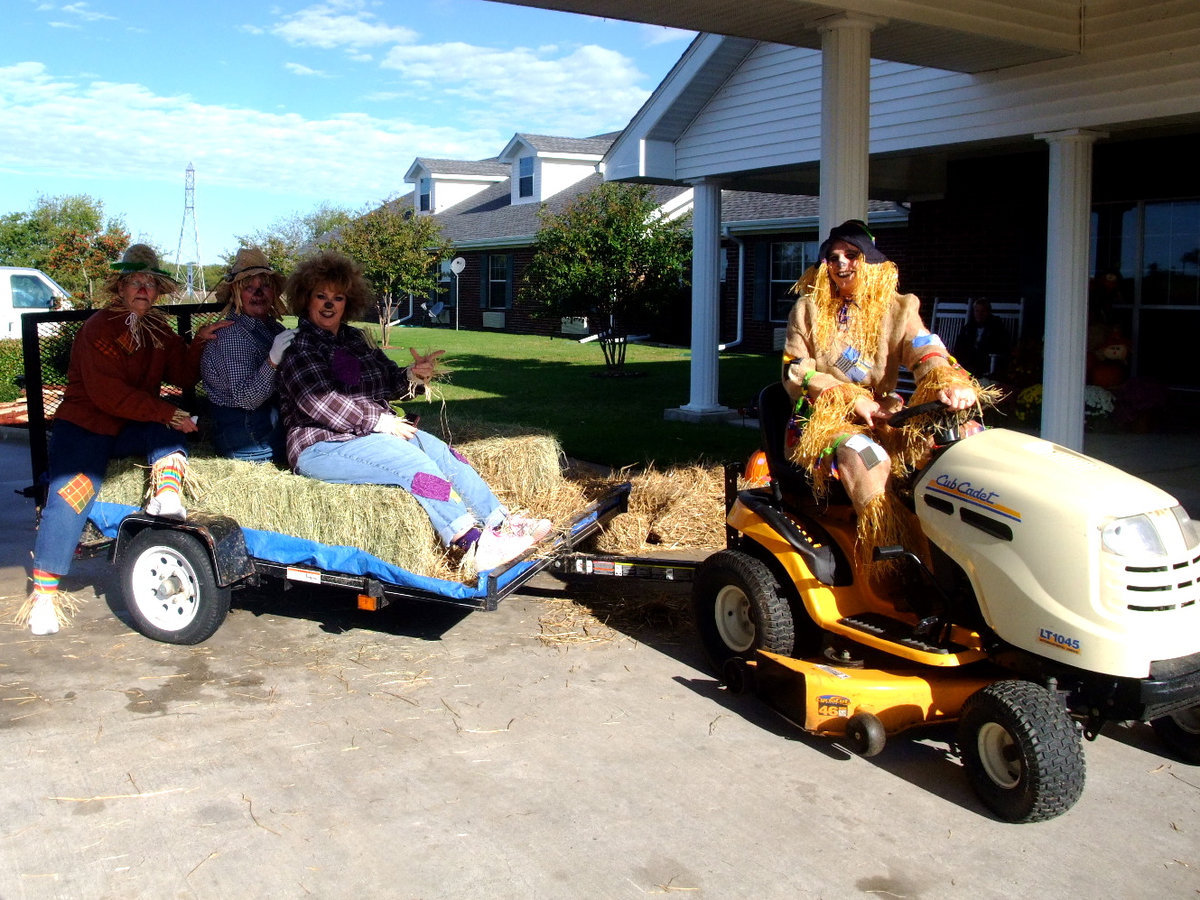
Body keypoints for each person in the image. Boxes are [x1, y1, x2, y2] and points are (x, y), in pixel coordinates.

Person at [277, 250, 551, 574]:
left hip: (367, 433)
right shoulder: (298, 345)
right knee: (415, 466)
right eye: (320, 296)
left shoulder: (354, 339)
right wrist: (378, 421)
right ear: (304, 298)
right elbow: (316, 401)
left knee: (445, 455)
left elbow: (386, 379)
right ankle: (473, 543)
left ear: (347, 301)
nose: (328, 304)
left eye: (337, 297)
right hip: (323, 446)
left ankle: (501, 524)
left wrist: (412, 375)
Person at [20, 244, 231, 635]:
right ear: (120, 286)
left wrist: (200, 341)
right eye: (136, 281)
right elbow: (107, 395)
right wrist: (167, 411)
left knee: (168, 430)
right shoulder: (98, 328)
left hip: (126, 425)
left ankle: (165, 496)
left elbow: (183, 375)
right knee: (73, 492)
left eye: (150, 283)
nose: (143, 289)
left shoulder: (158, 330)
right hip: (85, 425)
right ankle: (45, 598)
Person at [782, 220, 980, 570]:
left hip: (886, 414)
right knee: (868, 456)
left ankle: (959, 558)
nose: (841, 263)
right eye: (833, 256)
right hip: (824, 421)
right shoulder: (807, 310)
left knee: (962, 440)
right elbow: (795, 370)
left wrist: (947, 381)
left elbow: (924, 349)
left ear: (871, 260)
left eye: (851, 254)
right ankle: (891, 566)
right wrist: (847, 396)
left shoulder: (899, 307)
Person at [202, 247, 294, 462]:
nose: (258, 293)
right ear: (237, 294)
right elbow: (247, 399)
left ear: (273, 293)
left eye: (264, 286)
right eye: (249, 288)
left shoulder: (274, 329)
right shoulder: (232, 334)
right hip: (245, 433)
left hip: (268, 418)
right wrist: (273, 361)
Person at [952, 298, 1011, 379]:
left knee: (970, 370)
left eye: (983, 311)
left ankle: (970, 377)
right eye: (977, 311)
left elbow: (1000, 347)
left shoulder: (996, 327)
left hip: (984, 362)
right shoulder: (968, 327)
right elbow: (959, 346)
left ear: (988, 312)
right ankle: (962, 376)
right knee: (954, 365)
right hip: (967, 362)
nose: (979, 314)